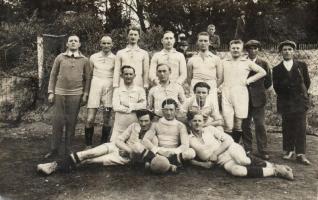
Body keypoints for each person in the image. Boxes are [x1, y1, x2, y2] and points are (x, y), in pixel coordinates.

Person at [37, 109, 160, 175]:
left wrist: (129, 154)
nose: (143, 124)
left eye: (146, 121)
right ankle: (52, 165)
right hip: (116, 147)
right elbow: (119, 140)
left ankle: (55, 167)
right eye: (141, 121)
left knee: (89, 161)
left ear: (151, 120)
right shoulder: (134, 126)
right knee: (87, 153)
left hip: (123, 158)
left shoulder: (153, 136)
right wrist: (126, 149)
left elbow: (147, 158)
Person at [188, 113, 294, 180]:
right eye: (194, 121)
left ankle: (273, 165)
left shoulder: (210, 129)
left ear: (203, 122)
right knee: (237, 171)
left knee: (243, 161)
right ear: (190, 123)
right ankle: (274, 171)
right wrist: (202, 164)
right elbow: (188, 157)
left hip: (230, 149)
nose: (197, 123)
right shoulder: (189, 139)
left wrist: (215, 153)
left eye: (199, 121)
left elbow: (229, 139)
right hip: (223, 162)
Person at [46, 35, 91, 158]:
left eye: (75, 41)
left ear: (79, 44)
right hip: (60, 93)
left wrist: (85, 94)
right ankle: (54, 149)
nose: (73, 43)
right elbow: (53, 75)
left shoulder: (85, 60)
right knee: (57, 122)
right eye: (70, 41)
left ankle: (68, 149)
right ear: (67, 44)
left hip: (76, 94)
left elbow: (88, 79)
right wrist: (51, 92)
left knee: (71, 122)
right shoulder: (60, 57)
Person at [219, 40, 266, 143]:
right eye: (233, 48)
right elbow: (221, 78)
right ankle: (228, 147)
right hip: (227, 93)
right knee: (228, 123)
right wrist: (216, 88)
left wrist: (248, 81)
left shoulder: (247, 62)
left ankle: (236, 145)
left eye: (238, 48)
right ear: (230, 49)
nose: (235, 50)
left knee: (238, 123)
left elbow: (262, 72)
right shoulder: (224, 62)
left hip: (240, 93)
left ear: (241, 50)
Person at [273, 40, 311, 165]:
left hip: (300, 101)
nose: (287, 52)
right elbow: (277, 87)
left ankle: (301, 153)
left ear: (293, 51)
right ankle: (288, 150)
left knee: (300, 127)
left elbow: (307, 82)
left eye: (290, 49)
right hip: (285, 102)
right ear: (281, 52)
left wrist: (301, 95)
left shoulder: (301, 65)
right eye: (285, 50)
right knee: (287, 126)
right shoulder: (277, 69)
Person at [143, 98, 196, 169]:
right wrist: (158, 150)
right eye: (166, 110)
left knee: (191, 152)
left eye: (171, 110)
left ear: (176, 111)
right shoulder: (156, 124)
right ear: (162, 110)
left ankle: (158, 162)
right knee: (138, 147)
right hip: (159, 151)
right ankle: (171, 164)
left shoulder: (180, 125)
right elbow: (145, 140)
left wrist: (173, 152)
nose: (168, 112)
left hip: (174, 152)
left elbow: (185, 145)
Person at [241, 40, 272, 160]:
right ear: (247, 50)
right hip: (244, 98)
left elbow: (268, 81)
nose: (253, 51)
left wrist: (259, 91)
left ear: (258, 50)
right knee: (245, 124)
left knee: (260, 124)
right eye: (250, 48)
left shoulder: (263, 63)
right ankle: (248, 149)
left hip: (259, 98)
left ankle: (263, 150)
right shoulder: (243, 62)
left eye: (255, 48)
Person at [84, 36, 115, 148]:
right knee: (90, 118)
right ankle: (88, 144)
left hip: (109, 88)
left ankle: (103, 143)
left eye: (108, 43)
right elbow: (88, 75)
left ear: (112, 45)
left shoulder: (116, 58)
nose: (106, 45)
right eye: (104, 43)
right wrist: (86, 92)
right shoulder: (93, 57)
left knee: (106, 117)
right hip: (95, 86)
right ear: (100, 44)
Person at [187, 31, 222, 110]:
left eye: (205, 41)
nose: (203, 43)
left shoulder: (216, 59)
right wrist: (195, 86)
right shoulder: (192, 59)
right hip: (195, 87)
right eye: (201, 40)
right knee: (195, 111)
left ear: (210, 42)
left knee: (212, 110)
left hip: (211, 87)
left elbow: (220, 78)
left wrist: (212, 87)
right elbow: (189, 78)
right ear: (197, 42)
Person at [111, 65, 146, 142]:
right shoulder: (117, 90)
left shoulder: (140, 90)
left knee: (133, 149)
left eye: (131, 74)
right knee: (114, 148)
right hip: (119, 127)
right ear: (122, 76)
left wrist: (127, 105)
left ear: (134, 75)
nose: (128, 76)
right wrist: (134, 107)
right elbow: (116, 107)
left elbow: (143, 105)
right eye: (126, 74)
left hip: (135, 126)